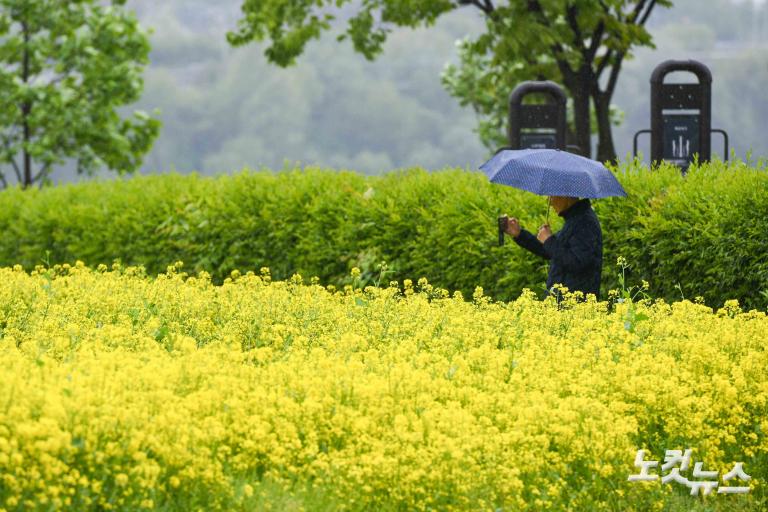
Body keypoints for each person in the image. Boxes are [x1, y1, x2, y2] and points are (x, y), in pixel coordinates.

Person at [504, 196, 603, 300]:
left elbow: (577, 262)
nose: (549, 201)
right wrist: (519, 233)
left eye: (552, 196)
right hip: (566, 303)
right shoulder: (574, 220)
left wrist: (549, 241)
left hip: (574, 305)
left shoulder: (584, 223)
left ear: (565, 195)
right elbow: (549, 251)